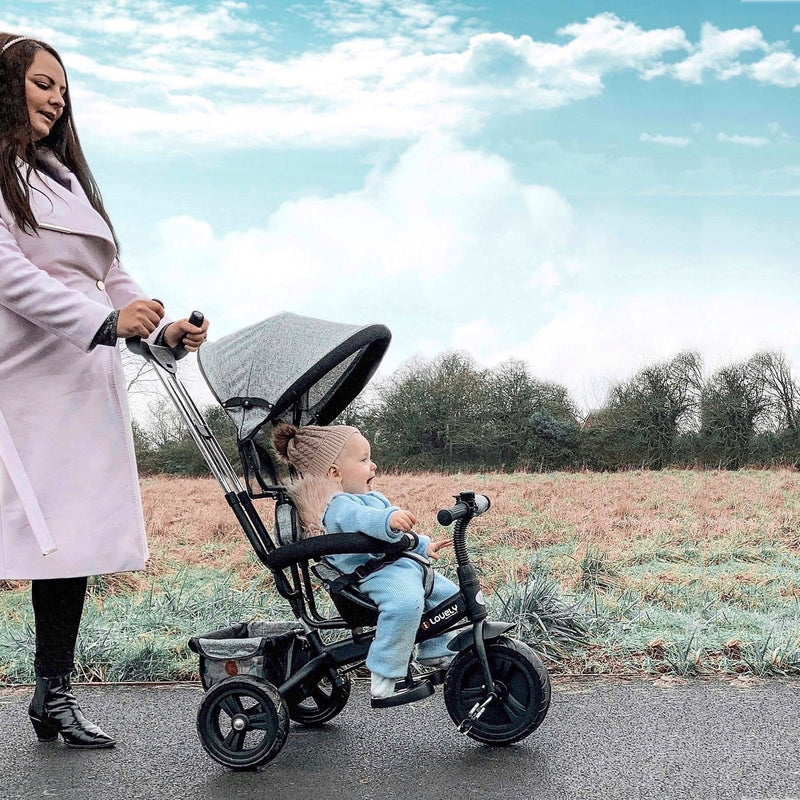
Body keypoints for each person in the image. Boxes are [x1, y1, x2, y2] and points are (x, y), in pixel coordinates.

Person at [0, 33, 209, 748]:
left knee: (74, 542)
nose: (57, 98)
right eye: (42, 83)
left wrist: (156, 327)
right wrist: (104, 321)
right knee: (16, 538)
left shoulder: (59, 175)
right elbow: (9, 274)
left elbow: (111, 273)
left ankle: (52, 696)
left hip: (79, 382)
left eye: (62, 87)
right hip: (20, 378)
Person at [272, 422, 459, 700]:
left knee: (449, 597)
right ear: (334, 473)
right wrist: (388, 520)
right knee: (405, 603)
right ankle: (385, 674)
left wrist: (423, 545)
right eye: (363, 460)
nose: (373, 466)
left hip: (399, 566)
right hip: (369, 576)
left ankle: (438, 650)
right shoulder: (338, 506)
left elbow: (394, 538)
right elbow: (365, 522)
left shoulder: (371, 497)